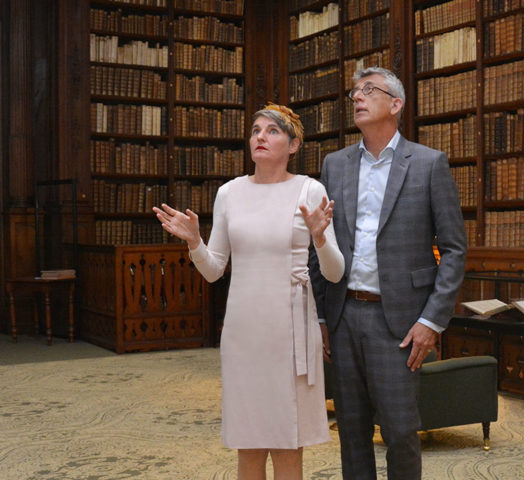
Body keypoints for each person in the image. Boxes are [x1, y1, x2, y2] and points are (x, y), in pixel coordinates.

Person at [153, 103, 344, 480]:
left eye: (272, 131)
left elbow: (335, 273)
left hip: (289, 331)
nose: (260, 137)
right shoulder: (229, 193)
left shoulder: (310, 189)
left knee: (288, 445)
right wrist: (195, 242)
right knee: (249, 444)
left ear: (293, 145)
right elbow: (213, 271)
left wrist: (320, 238)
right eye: (256, 130)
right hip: (243, 333)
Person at [309, 67, 467, 479]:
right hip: (344, 317)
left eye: (368, 91)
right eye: (354, 93)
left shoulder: (429, 164)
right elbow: (319, 241)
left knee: (400, 432)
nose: (357, 98)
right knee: (352, 433)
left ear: (395, 105)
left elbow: (453, 249)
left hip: (399, 323)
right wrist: (322, 315)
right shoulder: (335, 165)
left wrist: (432, 321)